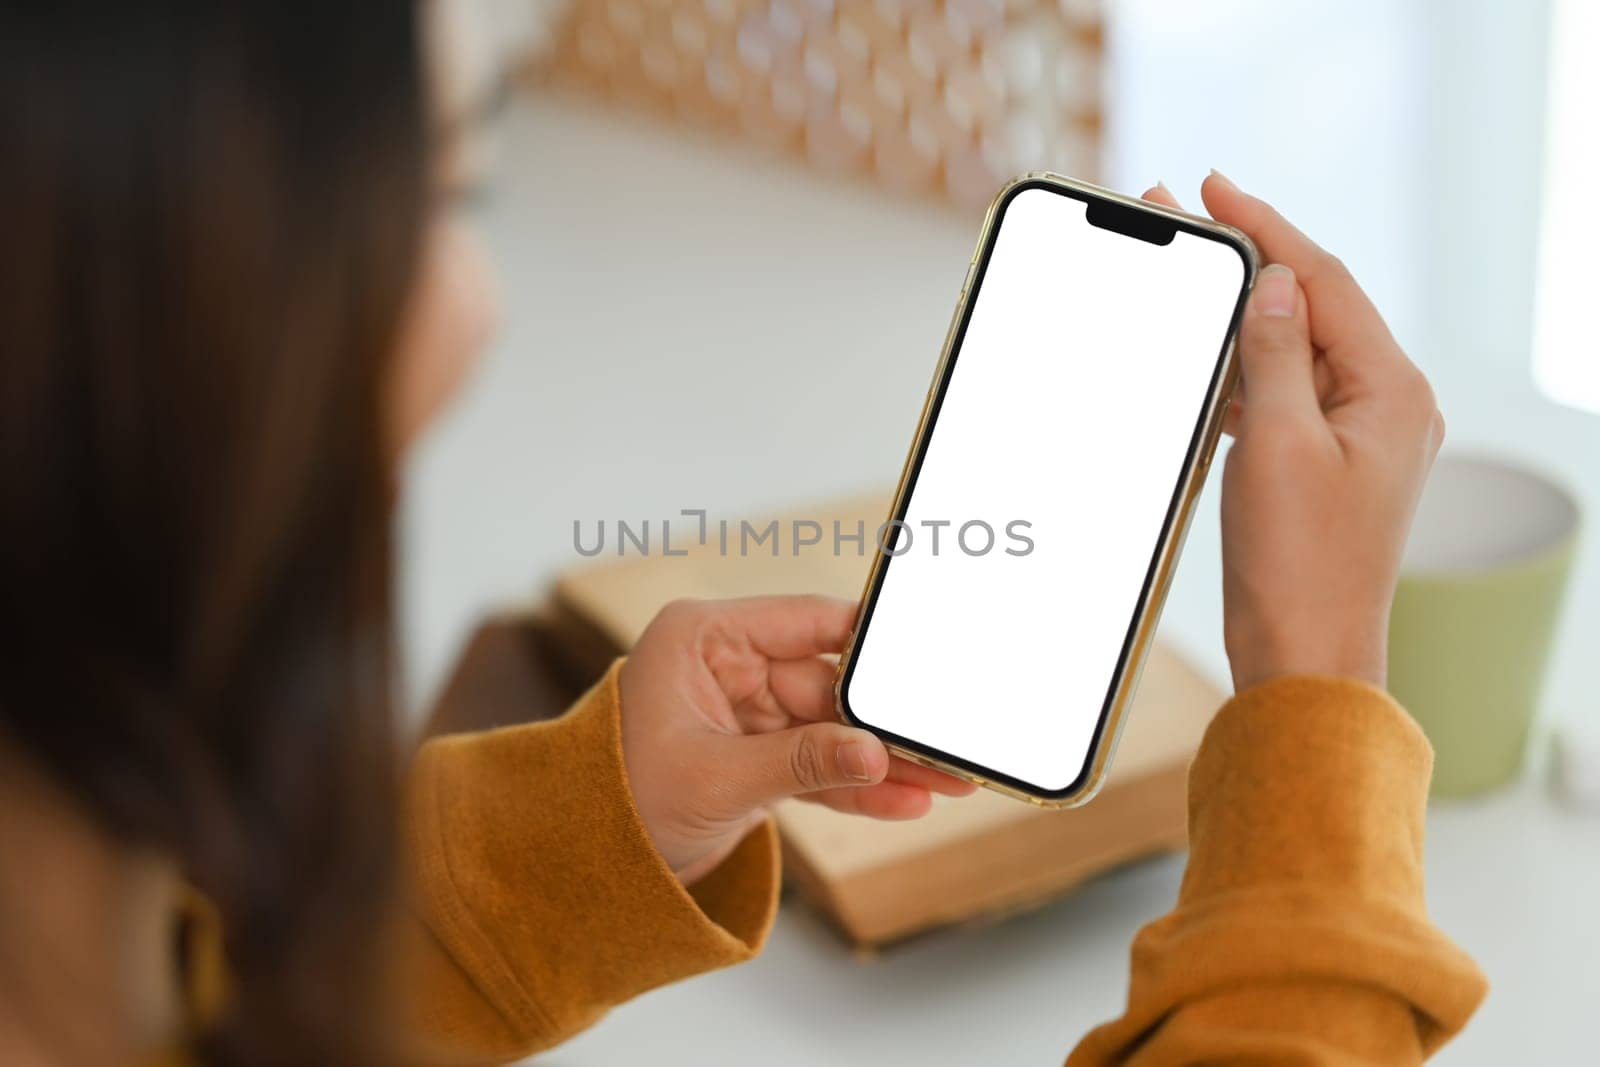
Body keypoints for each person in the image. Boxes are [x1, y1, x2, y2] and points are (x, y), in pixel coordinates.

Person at [0, 5, 1484, 1065]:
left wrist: (596, 827)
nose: (477, 309)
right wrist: (1315, 693)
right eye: (445, 191)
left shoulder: (66, 914)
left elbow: (228, 1005)